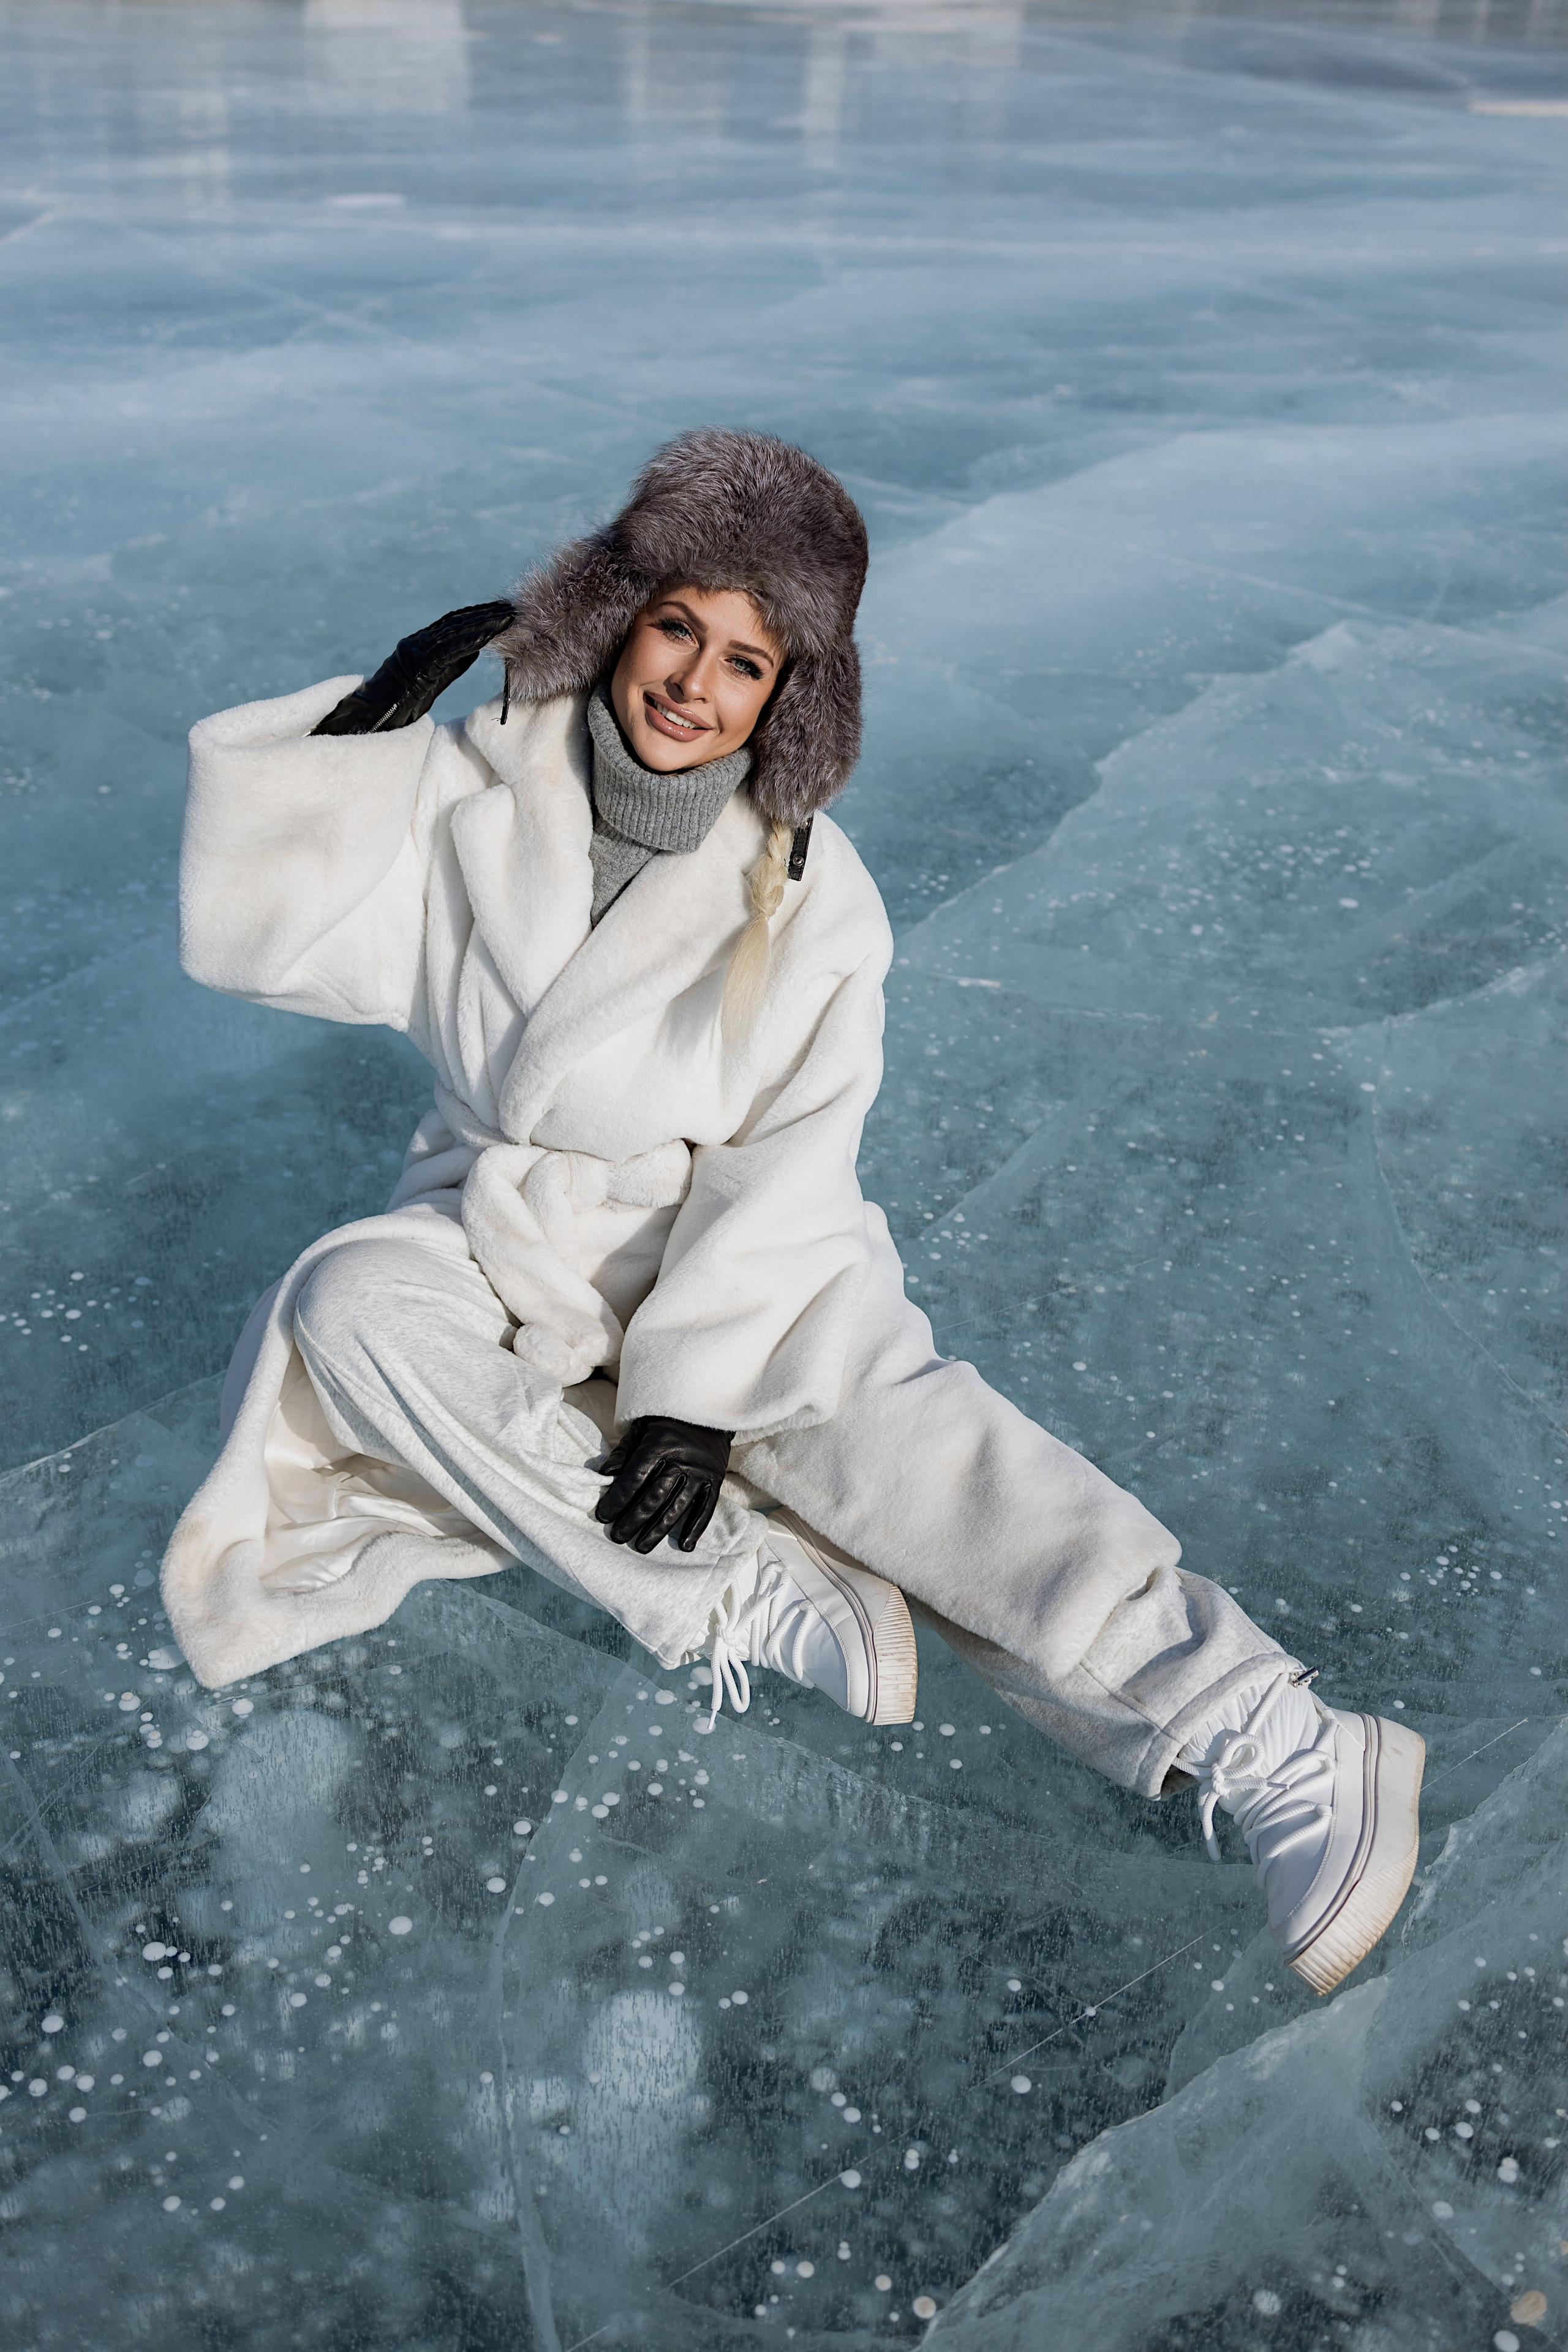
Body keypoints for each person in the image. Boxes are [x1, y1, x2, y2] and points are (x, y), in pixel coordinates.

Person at [162, 429, 1423, 1997]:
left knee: (929, 1485)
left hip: (743, 1265)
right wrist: (367, 729)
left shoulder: (811, 895)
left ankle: (1280, 1741)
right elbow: (270, 946)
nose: (694, 681)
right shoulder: (471, 792)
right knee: (344, 1306)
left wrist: (688, 1398)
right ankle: (733, 1590)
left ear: (789, 698)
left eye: (747, 661)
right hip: (502, 1228)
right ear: (616, 618)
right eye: (677, 626)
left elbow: (788, 1161)